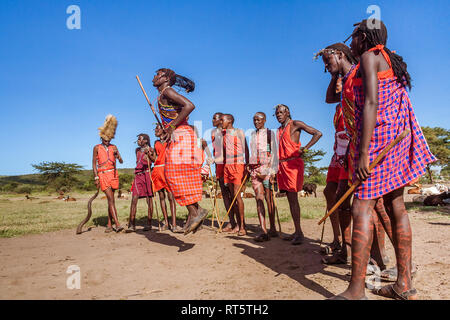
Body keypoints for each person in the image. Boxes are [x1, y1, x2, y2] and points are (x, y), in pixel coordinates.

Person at [330, 19, 435, 300]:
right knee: (395, 204)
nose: (350, 42)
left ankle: (355, 291)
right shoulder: (386, 58)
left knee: (361, 208)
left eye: (352, 36)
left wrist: (363, 153)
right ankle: (403, 284)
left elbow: (372, 103)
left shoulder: (369, 55)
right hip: (395, 139)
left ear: (362, 36)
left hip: (378, 142)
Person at [316, 42, 390, 267]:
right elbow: (330, 98)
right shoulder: (345, 80)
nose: (327, 67)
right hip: (349, 150)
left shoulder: (358, 74)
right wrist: (334, 73)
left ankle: (381, 258)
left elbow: (371, 106)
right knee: (340, 197)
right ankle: (348, 251)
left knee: (375, 205)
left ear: (339, 55)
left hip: (365, 147)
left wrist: (364, 151)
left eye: (328, 62)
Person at [152, 68, 208, 235]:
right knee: (174, 176)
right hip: (178, 136)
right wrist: (165, 130)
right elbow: (174, 117)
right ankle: (197, 211)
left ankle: (195, 212)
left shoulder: (168, 91)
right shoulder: (163, 94)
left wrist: (171, 127)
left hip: (182, 136)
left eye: (158, 74)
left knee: (172, 175)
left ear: (166, 78)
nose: (154, 77)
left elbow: (189, 106)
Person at [275, 104, 322, 245]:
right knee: (290, 199)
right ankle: (297, 231)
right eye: (276, 113)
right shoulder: (278, 130)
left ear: (287, 112)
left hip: (293, 164)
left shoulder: (295, 124)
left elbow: (318, 133)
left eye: (281, 112)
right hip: (282, 165)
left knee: (293, 198)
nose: (278, 115)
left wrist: (305, 148)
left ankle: (300, 233)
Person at [248, 112, 278, 241]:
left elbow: (275, 152)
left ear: (264, 120)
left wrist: (272, 171)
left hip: (267, 169)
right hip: (255, 170)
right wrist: (249, 164)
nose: (256, 122)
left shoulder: (270, 133)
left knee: (269, 199)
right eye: (254, 120)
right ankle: (263, 231)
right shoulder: (253, 134)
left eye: (259, 120)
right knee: (259, 198)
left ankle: (272, 228)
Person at [92, 115, 124, 233]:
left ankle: (109, 225)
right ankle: (117, 224)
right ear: (101, 138)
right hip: (103, 174)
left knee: (111, 201)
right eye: (105, 139)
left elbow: (121, 161)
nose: (107, 141)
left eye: (109, 139)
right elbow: (93, 164)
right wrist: (96, 177)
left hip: (113, 174)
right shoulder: (96, 148)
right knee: (110, 199)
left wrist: (117, 155)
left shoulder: (114, 147)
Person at [221, 114, 249, 236]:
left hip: (238, 164)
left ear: (230, 121)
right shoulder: (223, 134)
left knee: (238, 196)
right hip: (227, 165)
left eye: (223, 120)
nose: (221, 122)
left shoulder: (239, 132)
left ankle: (243, 226)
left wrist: (247, 165)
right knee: (232, 196)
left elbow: (246, 149)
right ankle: (237, 224)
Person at [211, 112, 237, 232]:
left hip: (228, 165)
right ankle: (231, 222)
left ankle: (240, 224)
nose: (213, 120)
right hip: (218, 166)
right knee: (225, 196)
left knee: (233, 195)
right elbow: (215, 151)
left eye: (215, 118)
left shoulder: (226, 132)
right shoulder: (214, 133)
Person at [152, 124, 180, 232]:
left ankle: (174, 224)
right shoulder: (156, 143)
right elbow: (155, 158)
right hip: (157, 170)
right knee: (161, 197)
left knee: (171, 197)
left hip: (168, 169)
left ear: (164, 130)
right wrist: (149, 154)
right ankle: (166, 223)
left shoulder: (170, 140)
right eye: (155, 129)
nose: (155, 130)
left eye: (158, 128)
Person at [125, 133, 156, 233]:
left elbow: (154, 160)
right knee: (134, 199)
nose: (138, 141)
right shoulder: (137, 150)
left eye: (140, 139)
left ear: (145, 141)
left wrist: (149, 154)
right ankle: (132, 224)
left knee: (149, 199)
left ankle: (149, 223)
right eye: (138, 139)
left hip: (147, 175)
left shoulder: (151, 149)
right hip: (138, 175)